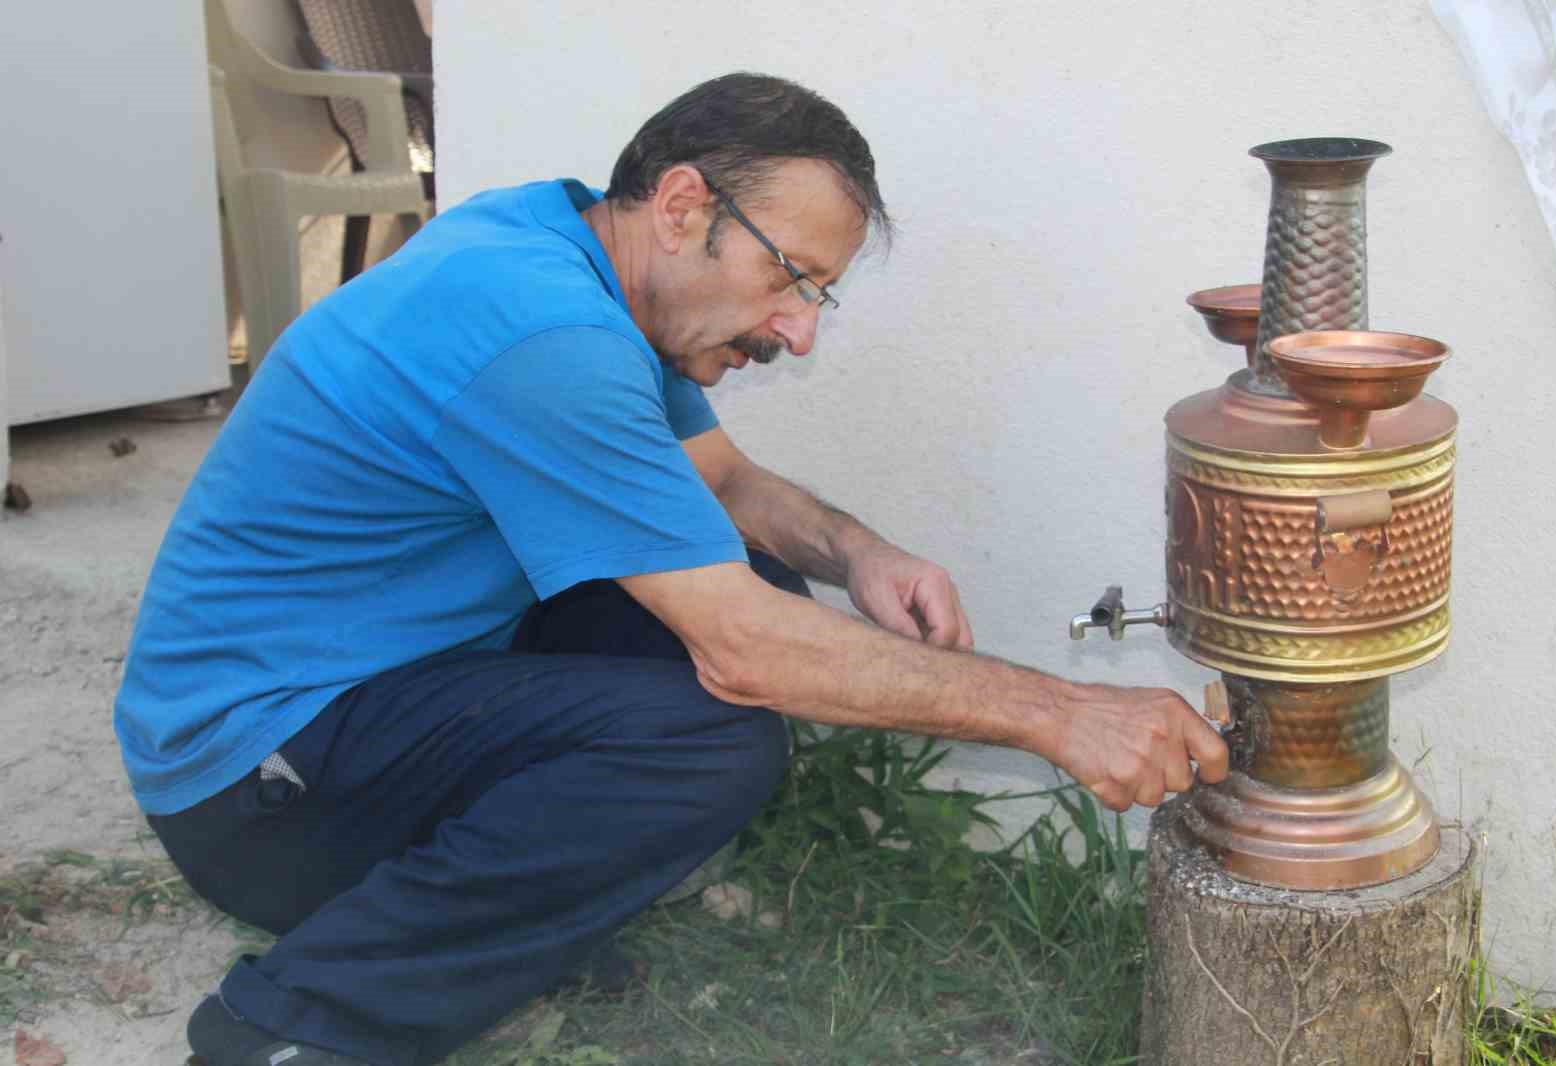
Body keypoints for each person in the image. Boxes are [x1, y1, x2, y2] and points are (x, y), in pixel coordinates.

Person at [114, 72, 1228, 1066]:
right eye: (789, 277)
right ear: (685, 205)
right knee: (711, 723)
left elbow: (725, 488)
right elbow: (746, 656)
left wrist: (861, 553)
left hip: (373, 682)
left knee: (750, 585)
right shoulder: (541, 335)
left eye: (817, 295)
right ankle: (301, 1020)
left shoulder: (572, 252)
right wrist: (1060, 713)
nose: (797, 330)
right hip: (257, 781)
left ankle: (496, 916)